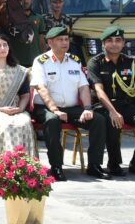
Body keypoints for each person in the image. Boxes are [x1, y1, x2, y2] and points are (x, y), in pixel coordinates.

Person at [30, 26, 107, 180]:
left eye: (66, 39)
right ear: (50, 42)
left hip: (71, 108)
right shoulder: (41, 61)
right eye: (60, 40)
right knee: (52, 121)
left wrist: (87, 108)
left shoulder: (74, 60)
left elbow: (83, 87)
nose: (65, 42)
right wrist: (55, 110)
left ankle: (94, 165)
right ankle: (56, 167)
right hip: (46, 108)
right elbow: (41, 88)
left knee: (98, 120)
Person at [87, 25, 135, 177]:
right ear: (103, 44)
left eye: (118, 40)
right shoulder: (95, 62)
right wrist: (113, 111)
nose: (114, 44)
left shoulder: (131, 61)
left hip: (126, 105)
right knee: (113, 121)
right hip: (104, 106)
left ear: (123, 43)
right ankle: (114, 164)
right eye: (110, 40)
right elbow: (99, 90)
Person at [8, 0, 47, 67]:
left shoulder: (39, 18)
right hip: (16, 63)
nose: (25, 1)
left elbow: (42, 42)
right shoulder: (11, 18)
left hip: (35, 63)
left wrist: (45, 61)